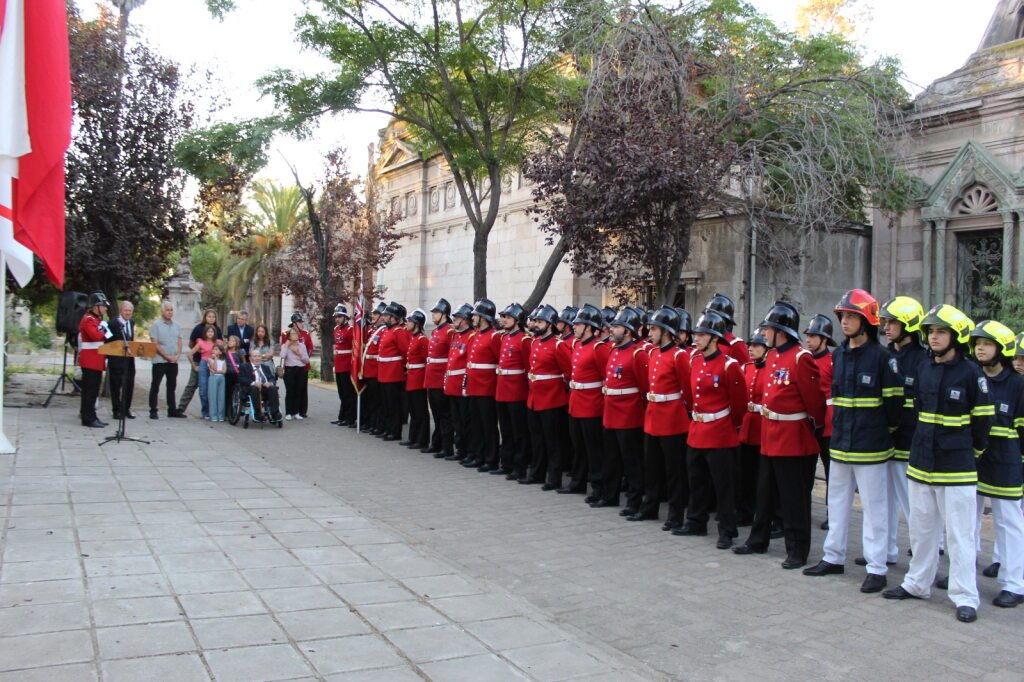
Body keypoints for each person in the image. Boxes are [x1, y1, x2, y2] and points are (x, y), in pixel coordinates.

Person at [882, 304, 992, 623]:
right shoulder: (925, 367)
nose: (934, 337)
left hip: (956, 465)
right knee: (921, 529)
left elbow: (983, 425)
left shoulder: (972, 374)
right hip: (921, 462)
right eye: (931, 331)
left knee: (959, 534)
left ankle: (965, 596)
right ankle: (918, 583)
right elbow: (916, 409)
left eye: (941, 331)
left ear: (956, 336)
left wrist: (969, 453)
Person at [803, 290, 902, 593]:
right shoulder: (840, 355)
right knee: (837, 501)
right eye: (842, 316)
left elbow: (894, 407)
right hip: (841, 442)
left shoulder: (884, 358)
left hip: (871, 445)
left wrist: (880, 434)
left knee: (874, 508)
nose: (844, 321)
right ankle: (833, 556)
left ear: (866, 321)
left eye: (851, 316)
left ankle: (876, 567)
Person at [733, 301, 826, 569]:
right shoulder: (772, 356)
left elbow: (815, 401)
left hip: (793, 436)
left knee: (793, 498)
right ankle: (757, 539)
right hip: (770, 434)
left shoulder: (801, 358)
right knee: (764, 494)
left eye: (767, 329)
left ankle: (798, 550)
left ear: (781, 331)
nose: (762, 334)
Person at [676, 310, 746, 549]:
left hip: (720, 433)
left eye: (702, 334)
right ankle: (696, 521)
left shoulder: (729, 366)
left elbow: (739, 404)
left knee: (723, 486)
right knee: (696, 480)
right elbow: (689, 393)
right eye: (697, 333)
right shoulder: (694, 359)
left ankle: (727, 530)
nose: (697, 338)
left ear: (715, 338)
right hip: (697, 429)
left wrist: (728, 425)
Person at [967, 320, 1024, 608]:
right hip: (973, 461)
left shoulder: (1017, 384)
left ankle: (1014, 584)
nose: (980, 348)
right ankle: (965, 573)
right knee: (967, 521)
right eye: (977, 343)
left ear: (1001, 349)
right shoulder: (973, 377)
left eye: (987, 343)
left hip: (1006, 462)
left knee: (1009, 523)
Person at [628, 306, 691, 530]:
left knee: (674, 471)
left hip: (673, 416)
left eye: (654, 329)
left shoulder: (679, 355)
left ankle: (675, 515)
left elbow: (688, 389)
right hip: (654, 415)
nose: (649, 333)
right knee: (651, 466)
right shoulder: (653, 353)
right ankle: (649, 507)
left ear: (666, 331)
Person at [879, 296, 929, 567]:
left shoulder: (921, 360)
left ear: (908, 324)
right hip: (886, 439)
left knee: (912, 501)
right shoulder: (888, 355)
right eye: (885, 322)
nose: (887, 327)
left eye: (892, 322)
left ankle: (922, 552)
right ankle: (886, 550)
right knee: (885, 500)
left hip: (909, 439)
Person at [603, 308, 650, 515]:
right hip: (611, 411)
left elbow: (644, 388)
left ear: (629, 330)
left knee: (632, 461)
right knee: (611, 458)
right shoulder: (614, 350)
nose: (612, 330)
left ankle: (634, 501)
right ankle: (610, 495)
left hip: (629, 414)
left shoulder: (638, 354)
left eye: (617, 327)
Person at [565, 304, 610, 501]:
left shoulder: (599, 348)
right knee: (578, 447)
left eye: (579, 324)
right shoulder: (577, 345)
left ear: (589, 327)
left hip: (592, 403)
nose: (574, 327)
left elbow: (605, 377)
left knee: (594, 450)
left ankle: (599, 488)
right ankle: (577, 482)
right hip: (576, 401)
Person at [524, 304, 570, 489]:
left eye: (540, 321)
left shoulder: (558, 345)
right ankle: (537, 473)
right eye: (535, 321)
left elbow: (569, 372)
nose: (536, 324)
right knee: (536, 439)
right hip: (534, 397)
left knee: (552, 441)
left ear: (550, 324)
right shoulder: (535, 342)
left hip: (551, 398)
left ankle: (554, 478)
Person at [804, 313, 836, 530]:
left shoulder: (833, 361)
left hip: (827, 424)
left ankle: (832, 513)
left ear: (824, 339)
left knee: (831, 472)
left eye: (813, 336)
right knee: (805, 471)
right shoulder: (804, 359)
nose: (808, 340)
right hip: (807, 423)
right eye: (808, 336)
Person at [463, 299, 502, 471]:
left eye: (476, 315)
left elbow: (498, 362)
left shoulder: (494, 336)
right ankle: (478, 456)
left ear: (484, 317)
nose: (473, 318)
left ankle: (491, 458)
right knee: (476, 425)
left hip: (487, 387)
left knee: (488, 425)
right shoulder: (476, 335)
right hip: (474, 386)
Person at [495, 303, 531, 479]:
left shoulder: (524, 340)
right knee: (506, 430)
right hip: (503, 389)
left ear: (517, 320)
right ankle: (506, 463)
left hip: (517, 390)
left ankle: (520, 467)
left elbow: (528, 368)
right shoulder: (504, 338)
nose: (503, 320)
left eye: (507, 317)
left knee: (519, 432)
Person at [737, 328, 770, 525]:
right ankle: (745, 512)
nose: (751, 349)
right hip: (747, 425)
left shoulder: (771, 368)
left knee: (762, 476)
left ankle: (763, 513)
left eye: (756, 345)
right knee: (745, 475)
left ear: (766, 348)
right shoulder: (746, 368)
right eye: (750, 345)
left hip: (763, 426)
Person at [78, 291, 114, 428]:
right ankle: (88, 417)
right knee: (90, 391)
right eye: (103, 306)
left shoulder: (97, 321)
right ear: (95, 306)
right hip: (90, 360)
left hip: (96, 360)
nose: (105, 308)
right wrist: (103, 331)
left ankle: (91, 415)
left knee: (93, 391)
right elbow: (95, 336)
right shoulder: (88, 319)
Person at [424, 299, 455, 457]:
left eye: (435, 312)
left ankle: (447, 446)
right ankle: (436, 442)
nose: (433, 315)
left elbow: (452, 357)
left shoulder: (449, 332)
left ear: (444, 314)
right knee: (436, 414)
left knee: (444, 415)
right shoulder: (436, 332)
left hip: (441, 378)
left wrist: (446, 378)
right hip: (432, 377)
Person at [376, 302, 411, 440]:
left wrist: (401, 368)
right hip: (384, 372)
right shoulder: (387, 331)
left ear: (394, 318)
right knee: (385, 404)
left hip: (393, 373)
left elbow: (405, 351)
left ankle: (395, 431)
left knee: (393, 404)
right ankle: (387, 428)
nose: (384, 318)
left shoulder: (398, 332)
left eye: (387, 316)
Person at [444, 304, 475, 460]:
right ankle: (460, 450)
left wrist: (465, 385)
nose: (454, 319)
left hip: (462, 384)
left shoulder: (471, 336)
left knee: (465, 421)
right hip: (452, 383)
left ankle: (469, 451)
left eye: (457, 317)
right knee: (456, 420)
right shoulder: (456, 336)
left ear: (465, 320)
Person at [178, 309, 221, 415]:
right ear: (205, 317)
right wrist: (200, 350)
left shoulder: (218, 330)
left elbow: (220, 346)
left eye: (213, 317)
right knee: (193, 385)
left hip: (213, 362)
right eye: (209, 316)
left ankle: (211, 410)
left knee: (211, 387)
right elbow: (191, 344)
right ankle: (181, 408)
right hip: (199, 361)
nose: (211, 318)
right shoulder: (198, 329)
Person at [149, 301, 184, 420]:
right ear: (162, 311)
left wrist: (178, 354)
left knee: (172, 386)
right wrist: (166, 357)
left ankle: (172, 410)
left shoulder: (177, 325)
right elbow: (155, 343)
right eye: (167, 310)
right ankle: (153, 410)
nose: (170, 312)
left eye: (171, 310)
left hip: (173, 361)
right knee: (155, 385)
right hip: (160, 360)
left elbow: (179, 340)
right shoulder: (156, 325)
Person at [402, 309, 430, 449]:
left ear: (417, 323)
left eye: (410, 321)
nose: (407, 323)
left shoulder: (422, 339)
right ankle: (413, 437)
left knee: (420, 411)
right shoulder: (413, 338)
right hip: (412, 376)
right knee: (413, 410)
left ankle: (422, 440)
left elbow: (427, 360)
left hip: (418, 378)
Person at [107, 301, 137, 420]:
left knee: (129, 383)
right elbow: (108, 341)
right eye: (126, 310)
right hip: (116, 359)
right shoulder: (113, 323)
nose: (128, 313)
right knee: (115, 385)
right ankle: (116, 410)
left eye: (130, 311)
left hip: (129, 359)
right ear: (120, 311)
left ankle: (126, 409)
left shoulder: (131, 322)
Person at [281, 313, 314, 419]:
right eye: (299, 322)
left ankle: (301, 411)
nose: (301, 324)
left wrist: (304, 360)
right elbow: (283, 351)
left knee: (302, 389)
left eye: (301, 322)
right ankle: (290, 411)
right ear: (294, 323)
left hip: (302, 365)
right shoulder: (285, 333)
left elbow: (309, 348)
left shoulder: (305, 333)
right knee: (291, 390)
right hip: (290, 366)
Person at [361, 303, 387, 434]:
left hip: (376, 369)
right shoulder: (372, 330)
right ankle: (371, 423)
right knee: (370, 398)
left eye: (376, 314)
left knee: (378, 400)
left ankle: (378, 425)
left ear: (382, 317)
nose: (373, 316)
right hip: (369, 368)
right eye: (373, 314)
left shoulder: (383, 331)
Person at [703, 293, 749, 365]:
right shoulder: (704, 341)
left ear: (724, 320)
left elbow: (747, 371)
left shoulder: (736, 344)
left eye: (714, 317)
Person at [238, 349, 282, 422]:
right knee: (254, 388)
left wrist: (270, 383)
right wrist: (254, 382)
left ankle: (275, 413)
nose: (257, 358)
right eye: (255, 356)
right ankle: (258, 414)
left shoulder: (265, 367)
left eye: (259, 356)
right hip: (251, 389)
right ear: (250, 358)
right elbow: (241, 378)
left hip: (265, 388)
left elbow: (272, 378)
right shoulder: (244, 367)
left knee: (273, 388)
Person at [331, 304, 356, 427]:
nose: (337, 319)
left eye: (340, 316)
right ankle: (342, 416)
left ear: (345, 317)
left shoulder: (350, 330)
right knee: (341, 393)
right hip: (339, 364)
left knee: (348, 393)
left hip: (347, 365)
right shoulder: (336, 329)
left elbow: (354, 349)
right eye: (336, 317)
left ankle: (350, 418)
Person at [189, 325, 220, 420]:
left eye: (212, 331)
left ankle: (214, 411)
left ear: (215, 333)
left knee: (214, 388)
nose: (210, 333)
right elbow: (189, 354)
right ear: (205, 333)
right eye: (208, 331)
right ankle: (205, 411)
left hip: (215, 364)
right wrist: (194, 366)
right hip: (203, 364)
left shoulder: (218, 343)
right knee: (203, 388)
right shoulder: (201, 342)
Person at [207, 343, 228, 422]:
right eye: (213, 349)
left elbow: (224, 371)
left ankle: (221, 415)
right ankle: (213, 415)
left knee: (221, 396)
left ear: (220, 352)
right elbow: (214, 368)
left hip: (221, 378)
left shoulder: (223, 360)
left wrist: (216, 371)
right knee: (213, 396)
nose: (214, 351)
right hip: (213, 378)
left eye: (216, 349)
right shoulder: (210, 360)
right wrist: (215, 359)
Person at [224, 335, 243, 416]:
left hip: (237, 374)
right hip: (227, 374)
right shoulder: (225, 352)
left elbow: (243, 362)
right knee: (228, 393)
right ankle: (227, 411)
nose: (230, 342)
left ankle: (236, 410)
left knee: (237, 392)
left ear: (237, 343)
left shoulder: (240, 352)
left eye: (233, 341)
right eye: (229, 340)